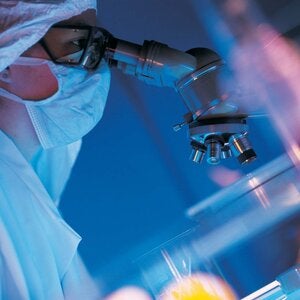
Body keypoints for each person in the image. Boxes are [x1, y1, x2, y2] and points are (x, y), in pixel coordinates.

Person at [0, 1, 110, 299]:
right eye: (75, 43)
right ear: (7, 60)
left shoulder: (39, 171)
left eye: (95, 44)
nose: (94, 64)